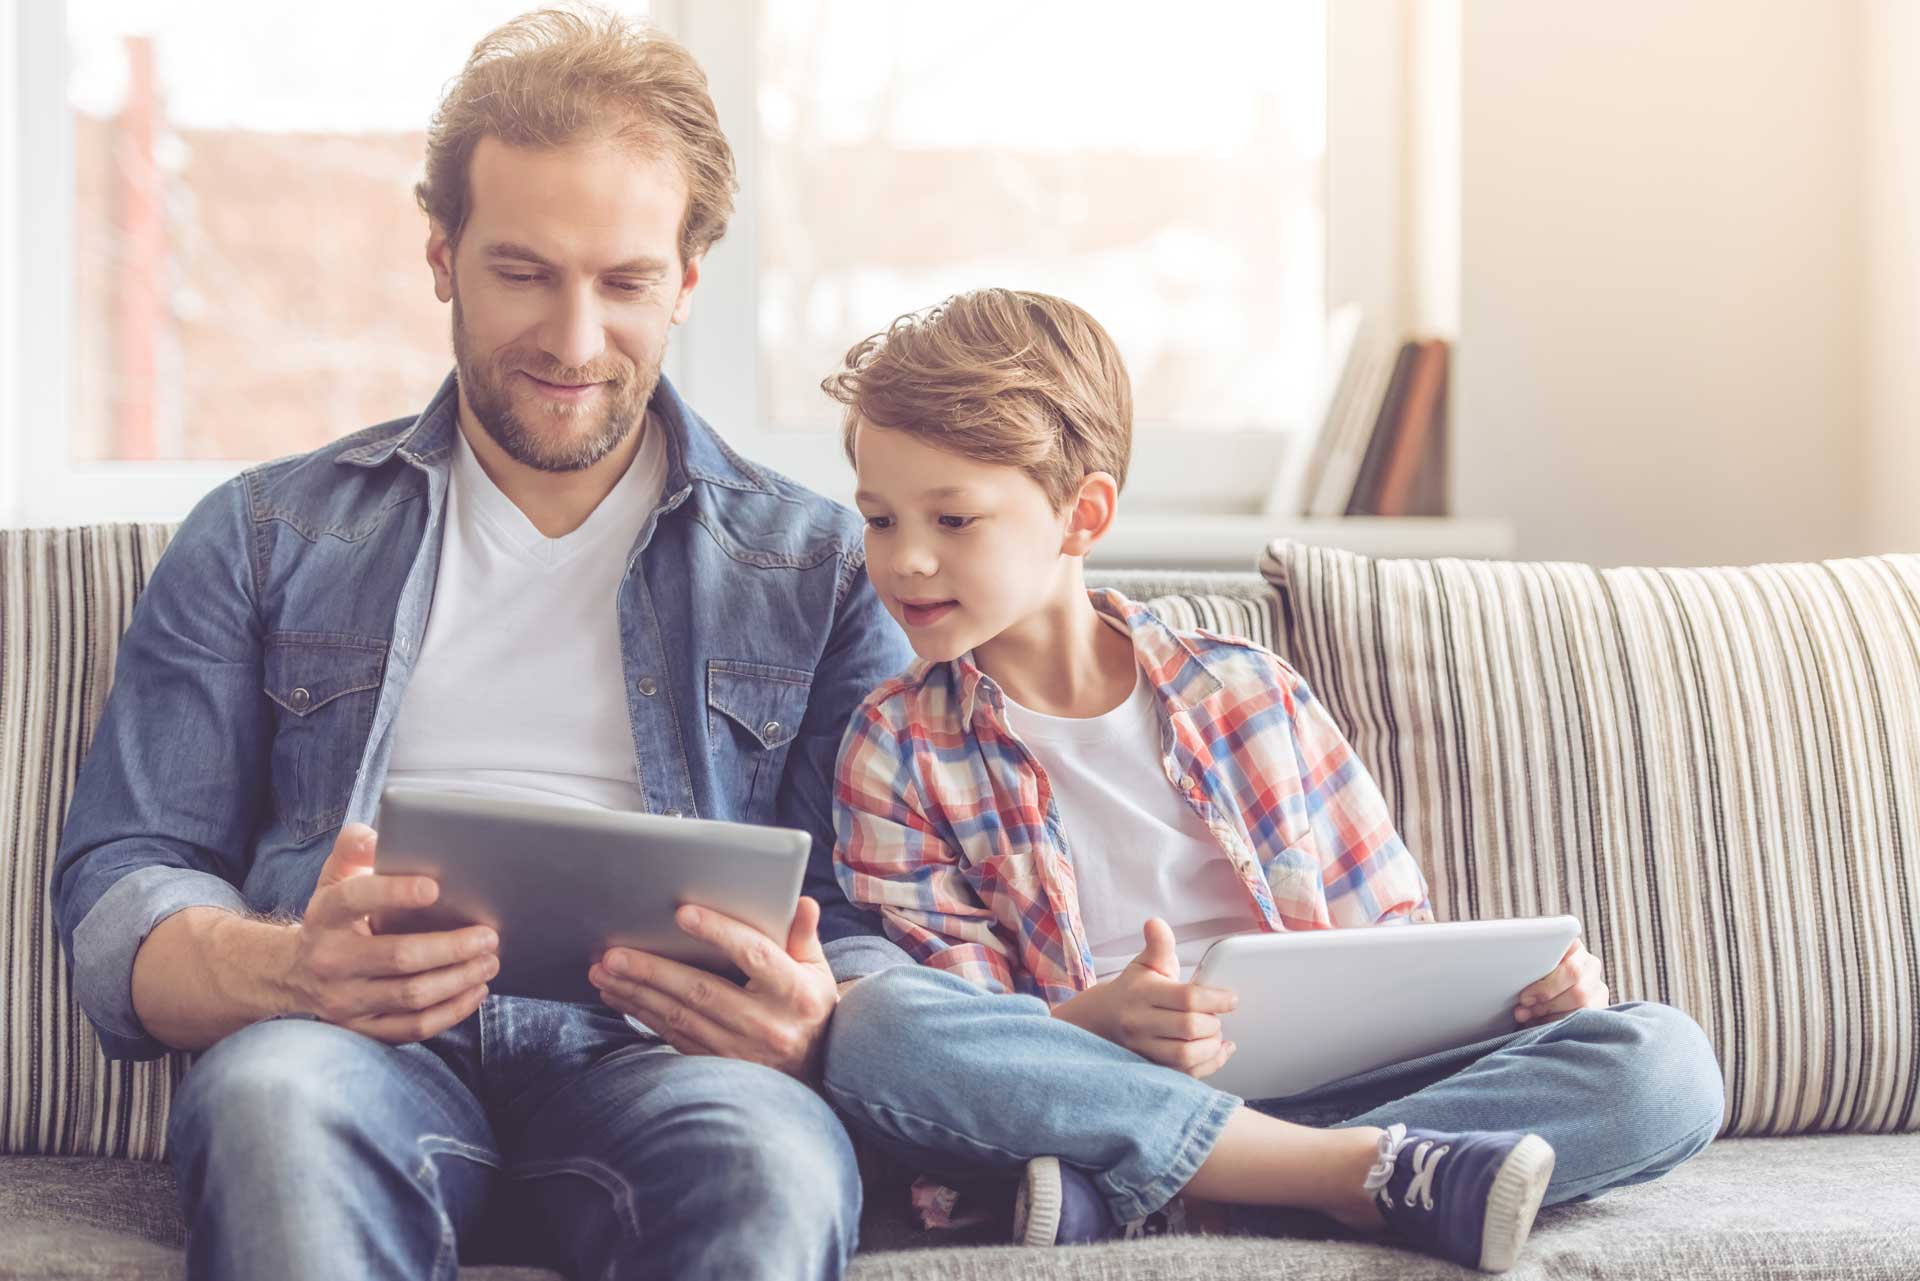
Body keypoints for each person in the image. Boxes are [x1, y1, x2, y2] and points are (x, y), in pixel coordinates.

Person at [49, 9, 913, 1279]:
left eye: (623, 282)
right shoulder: (260, 535)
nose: (573, 341)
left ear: (685, 279)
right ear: (442, 254)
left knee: (774, 1162)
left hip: (674, 1072)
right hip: (347, 1051)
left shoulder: (827, 570)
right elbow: (124, 889)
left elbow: (884, 915)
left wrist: (818, 1012)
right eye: (524, 272)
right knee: (274, 1109)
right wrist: (291, 970)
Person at [819, 288, 1725, 1272]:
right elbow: (968, 1022)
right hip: (1097, 1088)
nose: (905, 560)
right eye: (878, 519)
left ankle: (1191, 1194)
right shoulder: (895, 744)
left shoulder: (1247, 693)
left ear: (1082, 515)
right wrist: (1097, 1020)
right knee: (878, 1026)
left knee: (1662, 1063)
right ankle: (1357, 1182)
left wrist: (1526, 1001)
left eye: (953, 519)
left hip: (1337, 1090)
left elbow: (1394, 947)